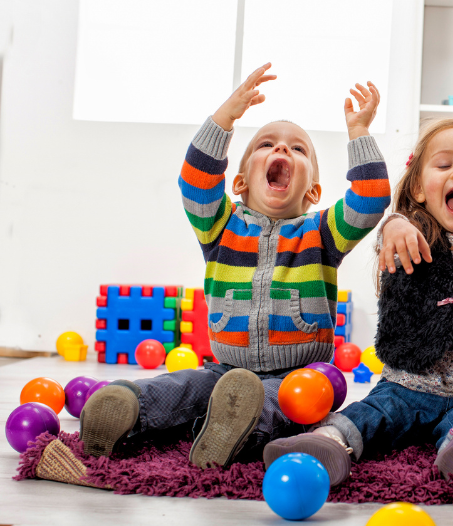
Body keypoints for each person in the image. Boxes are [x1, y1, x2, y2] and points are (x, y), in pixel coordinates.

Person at [79, 63, 390, 470]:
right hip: (226, 368)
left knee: (291, 403)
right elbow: (195, 180)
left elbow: (370, 199)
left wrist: (360, 133)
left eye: (298, 149)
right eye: (267, 144)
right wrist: (226, 117)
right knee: (186, 386)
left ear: (313, 190)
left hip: (300, 373)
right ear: (240, 182)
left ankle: (233, 430)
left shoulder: (322, 232)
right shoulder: (219, 226)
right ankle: (129, 407)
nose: (282, 150)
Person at [264, 118, 453, 484]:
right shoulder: (408, 234)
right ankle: (327, 442)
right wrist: (394, 224)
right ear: (420, 188)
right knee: (371, 414)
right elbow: (389, 237)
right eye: (444, 165)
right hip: (406, 384)